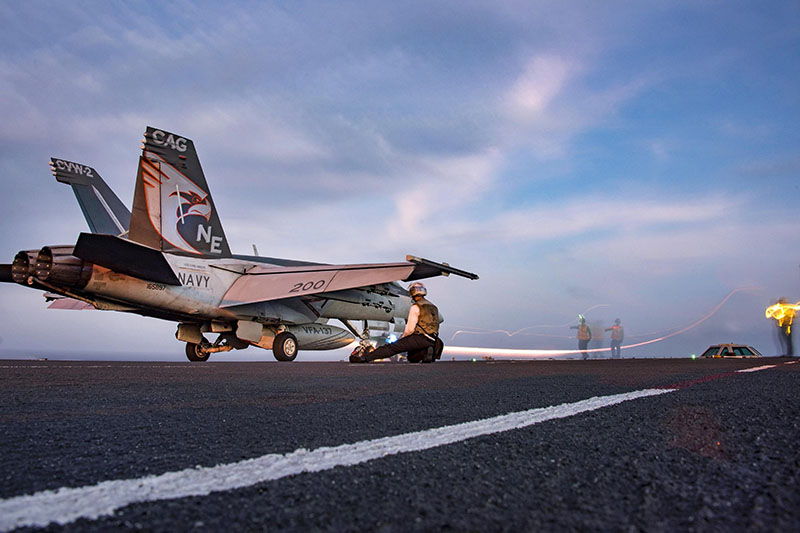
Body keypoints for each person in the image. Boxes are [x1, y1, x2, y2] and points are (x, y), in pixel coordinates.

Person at [350, 281, 441, 363]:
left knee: (392, 348)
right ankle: (425, 352)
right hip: (433, 339)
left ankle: (364, 358)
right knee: (412, 358)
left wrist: (402, 339)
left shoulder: (416, 307)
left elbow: (410, 329)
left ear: (412, 292)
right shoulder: (434, 307)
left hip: (419, 337)